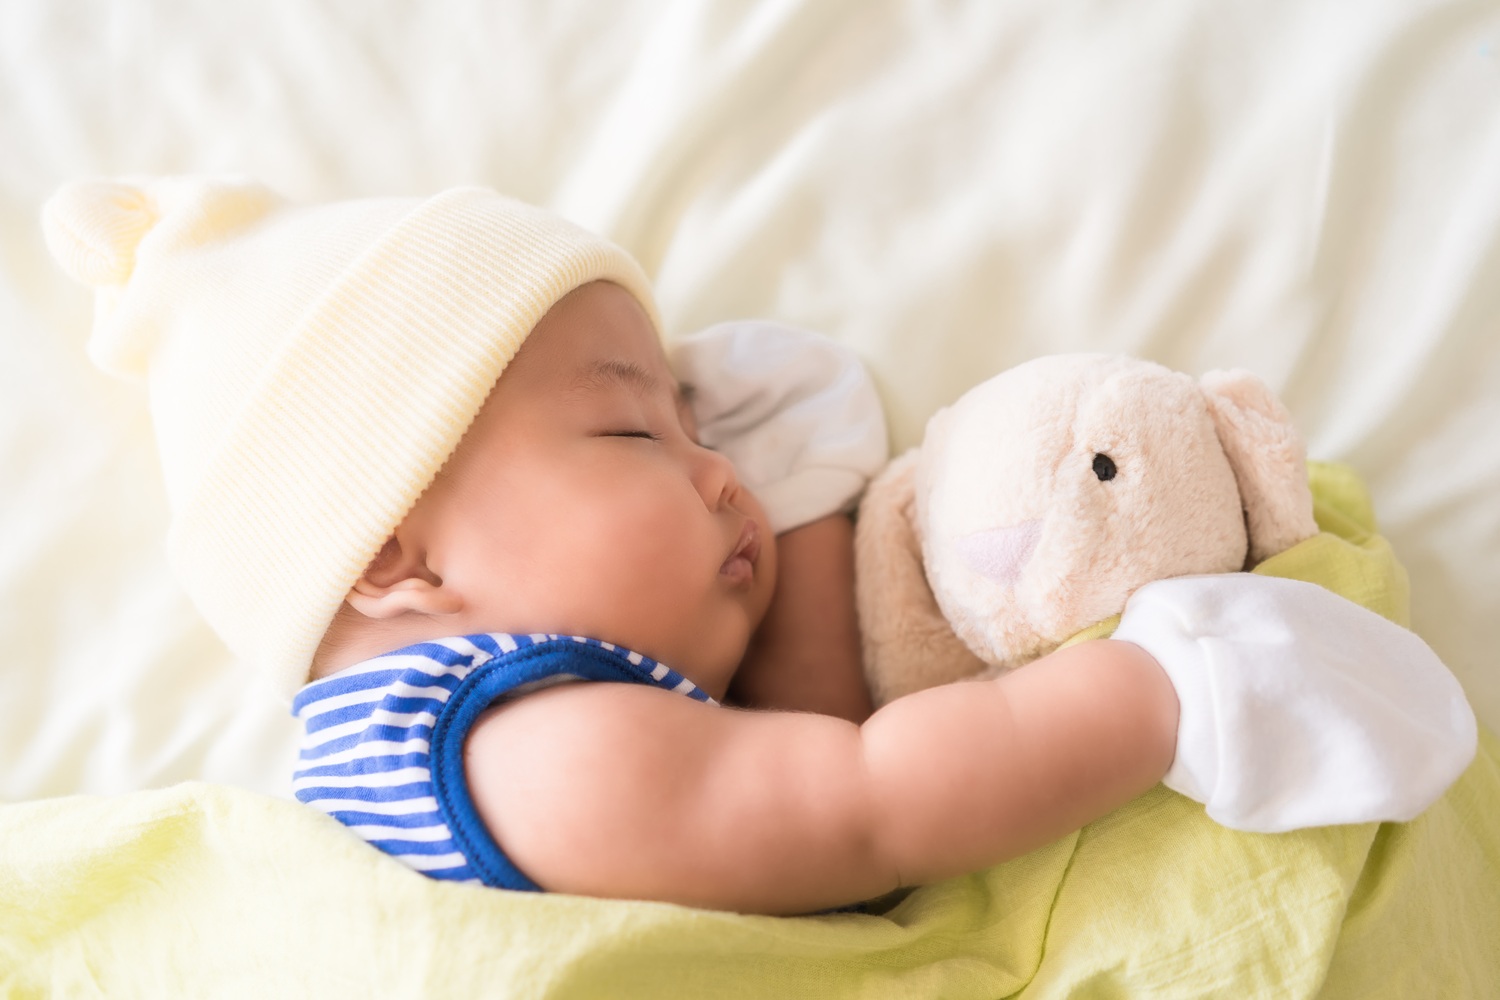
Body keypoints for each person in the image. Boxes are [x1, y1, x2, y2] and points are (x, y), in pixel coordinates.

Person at [42, 177, 1477, 917]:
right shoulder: (506, 745)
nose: (716, 468)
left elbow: (787, 758)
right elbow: (855, 809)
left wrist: (793, 499)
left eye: (696, 416)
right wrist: (1152, 694)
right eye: (632, 436)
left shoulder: (479, 733)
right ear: (393, 558)